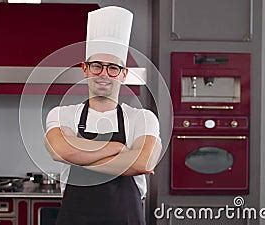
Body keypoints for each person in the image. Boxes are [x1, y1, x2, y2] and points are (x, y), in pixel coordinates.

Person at [44, 6, 162, 225]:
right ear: (85, 69)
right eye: (97, 66)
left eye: (113, 68)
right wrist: (116, 148)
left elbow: (143, 161)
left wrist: (78, 156)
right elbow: (60, 150)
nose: (104, 75)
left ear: (124, 73)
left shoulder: (142, 118)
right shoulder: (62, 114)